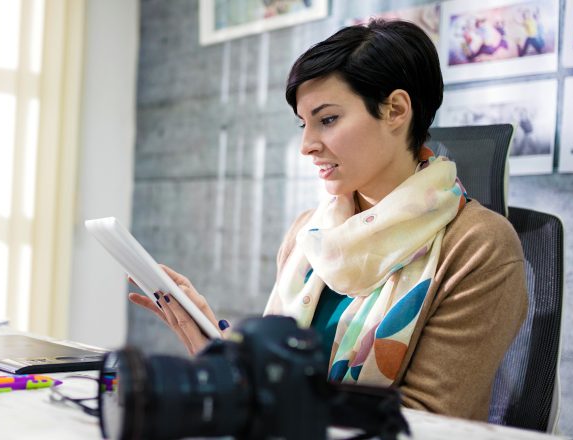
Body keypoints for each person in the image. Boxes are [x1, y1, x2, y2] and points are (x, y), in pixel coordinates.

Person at [128, 19, 528, 422]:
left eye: (328, 119)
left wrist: (255, 395)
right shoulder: (309, 234)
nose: (307, 145)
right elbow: (280, 377)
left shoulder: (480, 247)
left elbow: (424, 422)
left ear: (395, 110)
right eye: (305, 124)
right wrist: (214, 347)